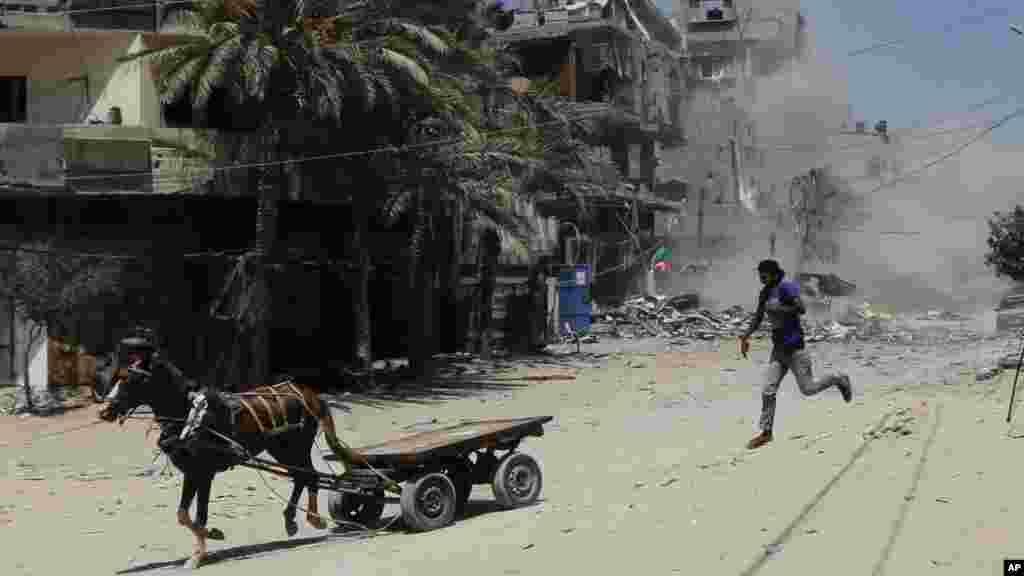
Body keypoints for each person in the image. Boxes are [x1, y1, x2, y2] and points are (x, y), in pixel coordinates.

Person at [739, 259, 852, 450]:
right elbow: (759, 316)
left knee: (808, 389)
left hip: (795, 350)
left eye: (764, 275)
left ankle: (838, 378)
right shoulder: (765, 292)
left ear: (774, 274)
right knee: (768, 389)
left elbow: (801, 308)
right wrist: (745, 336)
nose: (760, 278)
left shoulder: (786, 287)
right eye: (759, 274)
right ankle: (766, 433)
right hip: (778, 350)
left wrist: (778, 308)